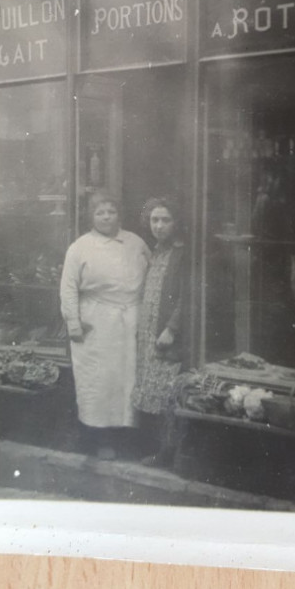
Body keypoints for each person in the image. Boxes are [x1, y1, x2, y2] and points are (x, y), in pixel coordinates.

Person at [60, 191, 150, 459]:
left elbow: (153, 276)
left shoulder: (135, 243)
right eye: (100, 212)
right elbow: (68, 288)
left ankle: (127, 438)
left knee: (128, 380)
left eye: (111, 211)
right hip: (95, 323)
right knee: (98, 382)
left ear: (118, 214)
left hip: (131, 320)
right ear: (91, 216)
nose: (106, 217)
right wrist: (74, 324)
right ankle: (98, 438)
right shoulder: (79, 247)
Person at [132, 196, 188, 466]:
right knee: (151, 390)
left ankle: (168, 453)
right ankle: (155, 449)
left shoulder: (182, 253)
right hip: (148, 329)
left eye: (166, 220)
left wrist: (172, 328)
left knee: (167, 393)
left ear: (176, 223)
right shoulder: (155, 250)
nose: (159, 225)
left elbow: (186, 296)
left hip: (165, 332)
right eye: (155, 220)